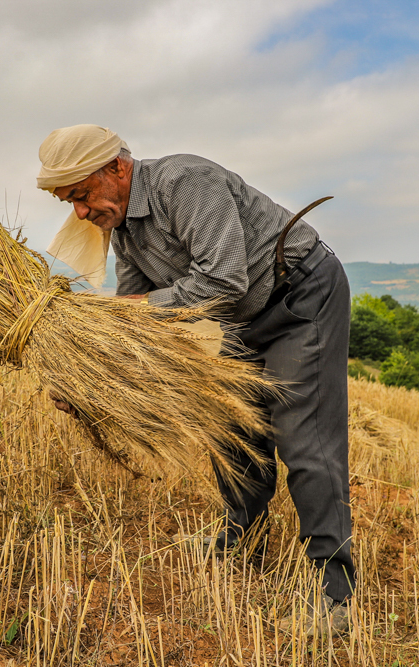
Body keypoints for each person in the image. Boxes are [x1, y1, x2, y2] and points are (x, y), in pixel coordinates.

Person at [37, 124, 353, 634]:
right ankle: (240, 540)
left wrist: (135, 311)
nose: (79, 212)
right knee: (231, 427)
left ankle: (334, 593)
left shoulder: (185, 182)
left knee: (305, 442)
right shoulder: (125, 230)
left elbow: (223, 280)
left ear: (116, 169)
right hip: (237, 318)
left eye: (82, 195)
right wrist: (93, 374)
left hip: (298, 299)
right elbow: (135, 317)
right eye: (68, 202)